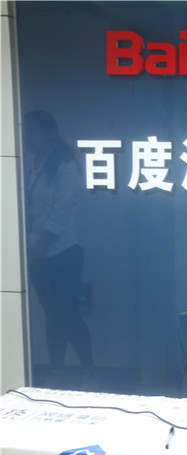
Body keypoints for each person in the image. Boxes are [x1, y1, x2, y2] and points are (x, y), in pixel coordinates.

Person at [23, 110, 94, 383]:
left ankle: (89, 371)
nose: (26, 137)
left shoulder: (66, 165)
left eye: (32, 132)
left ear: (50, 134)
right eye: (24, 131)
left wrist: (36, 249)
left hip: (62, 252)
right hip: (35, 253)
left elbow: (60, 215)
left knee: (66, 314)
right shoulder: (30, 164)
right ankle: (56, 372)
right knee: (51, 314)